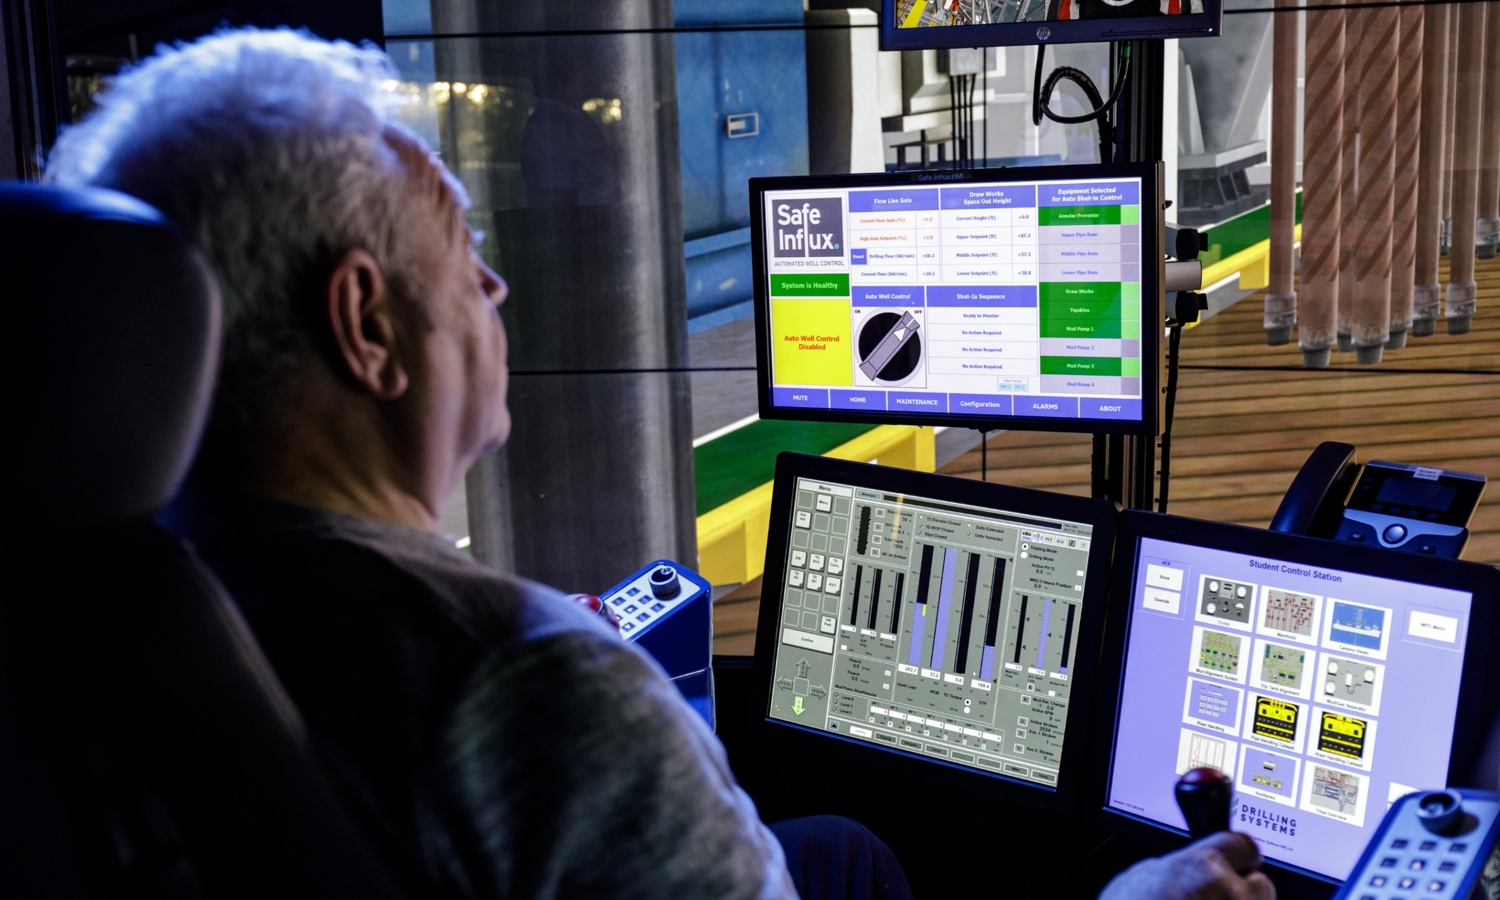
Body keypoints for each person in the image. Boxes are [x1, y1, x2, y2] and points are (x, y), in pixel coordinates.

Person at [45, 28, 1272, 900]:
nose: (495, 285)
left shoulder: (100, 608)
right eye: (460, 247)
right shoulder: (528, 685)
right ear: (367, 324)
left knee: (842, 842)